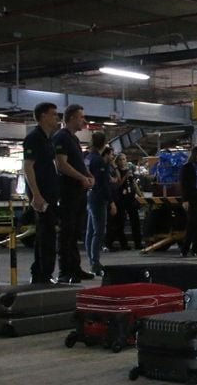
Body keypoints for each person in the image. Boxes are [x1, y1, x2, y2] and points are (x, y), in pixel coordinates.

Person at [53, 104, 95, 283]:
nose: (84, 121)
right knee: (66, 231)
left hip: (78, 190)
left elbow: (78, 162)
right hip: (68, 190)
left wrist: (88, 175)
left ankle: (75, 268)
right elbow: (61, 164)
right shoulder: (61, 137)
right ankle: (65, 271)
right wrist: (81, 177)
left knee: (75, 230)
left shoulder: (74, 139)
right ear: (70, 118)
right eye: (80, 117)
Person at [23, 102, 61, 284]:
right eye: (53, 114)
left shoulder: (48, 139)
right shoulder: (34, 138)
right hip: (41, 193)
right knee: (45, 233)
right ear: (43, 116)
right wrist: (36, 194)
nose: (57, 117)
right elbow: (28, 166)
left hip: (50, 192)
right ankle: (42, 274)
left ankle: (42, 271)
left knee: (47, 233)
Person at [84, 133, 115, 276]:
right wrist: (111, 202)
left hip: (90, 196)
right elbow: (103, 184)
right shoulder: (98, 161)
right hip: (98, 198)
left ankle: (92, 260)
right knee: (99, 231)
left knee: (91, 231)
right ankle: (95, 263)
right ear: (104, 143)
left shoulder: (88, 158)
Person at [179, 146, 197, 257]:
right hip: (192, 199)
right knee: (192, 224)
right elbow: (184, 184)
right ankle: (185, 249)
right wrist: (185, 200)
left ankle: (196, 249)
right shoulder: (187, 167)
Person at [109, 158, 143, 251]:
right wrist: (124, 177)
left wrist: (140, 195)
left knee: (135, 221)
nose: (123, 161)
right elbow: (117, 185)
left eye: (124, 159)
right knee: (120, 222)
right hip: (120, 198)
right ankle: (123, 244)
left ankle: (138, 243)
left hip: (131, 198)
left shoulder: (129, 171)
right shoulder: (116, 172)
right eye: (121, 159)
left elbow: (134, 184)